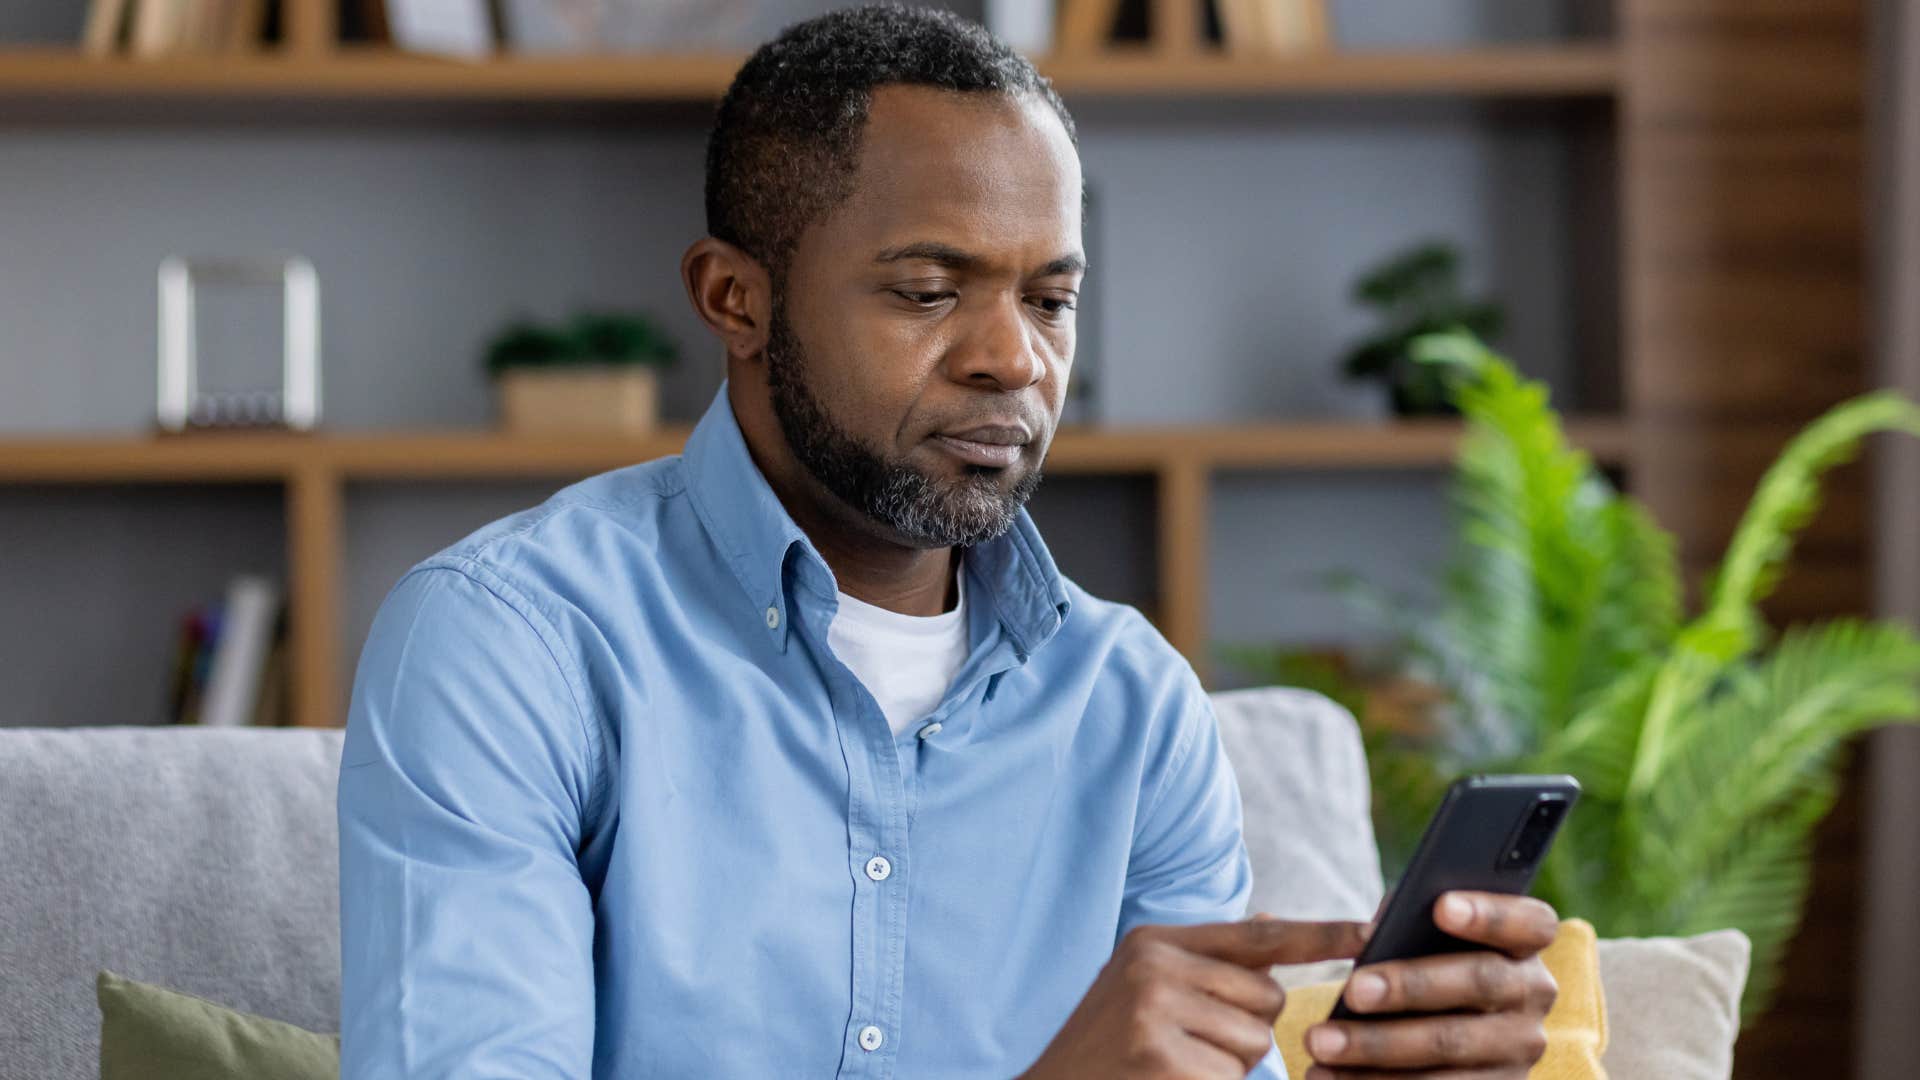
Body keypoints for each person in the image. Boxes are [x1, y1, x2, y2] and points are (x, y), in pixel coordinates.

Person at [337, 6, 1559, 1078]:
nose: (1013, 359)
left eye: (1051, 300)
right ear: (735, 299)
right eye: (929, 291)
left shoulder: (1134, 710)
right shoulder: (512, 645)